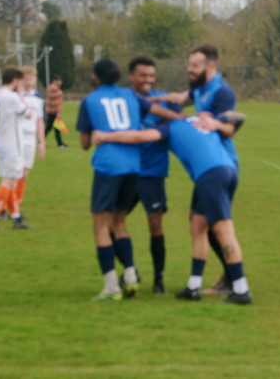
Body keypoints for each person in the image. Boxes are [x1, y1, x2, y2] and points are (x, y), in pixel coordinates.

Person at [92, 112, 252, 305]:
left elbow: (140, 136)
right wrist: (218, 123)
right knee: (198, 226)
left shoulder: (170, 128)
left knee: (223, 231)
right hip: (227, 170)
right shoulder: (196, 120)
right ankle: (193, 287)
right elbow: (240, 116)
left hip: (211, 175)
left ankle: (241, 289)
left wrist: (105, 136)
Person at [76, 58, 181, 301]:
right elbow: (159, 111)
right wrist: (180, 120)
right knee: (119, 223)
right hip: (134, 166)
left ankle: (111, 285)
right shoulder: (131, 97)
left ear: (95, 77)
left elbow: (83, 144)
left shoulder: (89, 100)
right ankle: (131, 275)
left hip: (108, 166)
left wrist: (98, 133)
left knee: (101, 226)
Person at [161, 43, 239, 295]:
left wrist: (215, 123)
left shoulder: (222, 92)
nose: (189, 69)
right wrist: (143, 98)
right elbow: (177, 98)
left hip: (221, 163)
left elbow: (232, 128)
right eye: (189, 64)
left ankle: (235, 281)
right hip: (207, 166)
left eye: (195, 65)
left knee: (215, 225)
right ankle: (198, 284)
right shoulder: (200, 89)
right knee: (198, 223)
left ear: (210, 66)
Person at [125, 56, 185, 295]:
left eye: (151, 75)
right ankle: (131, 270)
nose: (148, 80)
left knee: (155, 225)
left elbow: (182, 120)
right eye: (143, 75)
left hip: (153, 173)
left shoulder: (166, 101)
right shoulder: (123, 100)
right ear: (132, 77)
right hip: (127, 171)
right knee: (111, 224)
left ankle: (158, 280)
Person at [0, 66, 34, 230]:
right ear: (14, 80)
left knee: (12, 181)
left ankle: (16, 219)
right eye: (19, 82)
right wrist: (20, 93)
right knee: (8, 180)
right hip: (12, 143)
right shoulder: (12, 97)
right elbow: (28, 113)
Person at [16, 66, 46, 216]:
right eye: (26, 78)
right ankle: (9, 207)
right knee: (15, 171)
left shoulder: (38, 97)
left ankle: (16, 205)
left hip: (30, 138)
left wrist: (42, 142)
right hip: (17, 137)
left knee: (24, 172)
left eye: (31, 78)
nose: (29, 81)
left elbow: (39, 120)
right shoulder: (17, 95)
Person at [44, 75, 67, 148]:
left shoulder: (50, 87)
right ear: (54, 80)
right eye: (59, 80)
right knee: (56, 127)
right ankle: (60, 143)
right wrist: (58, 113)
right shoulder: (55, 89)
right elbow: (56, 102)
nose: (60, 82)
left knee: (50, 127)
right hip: (54, 111)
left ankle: (42, 141)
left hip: (50, 110)